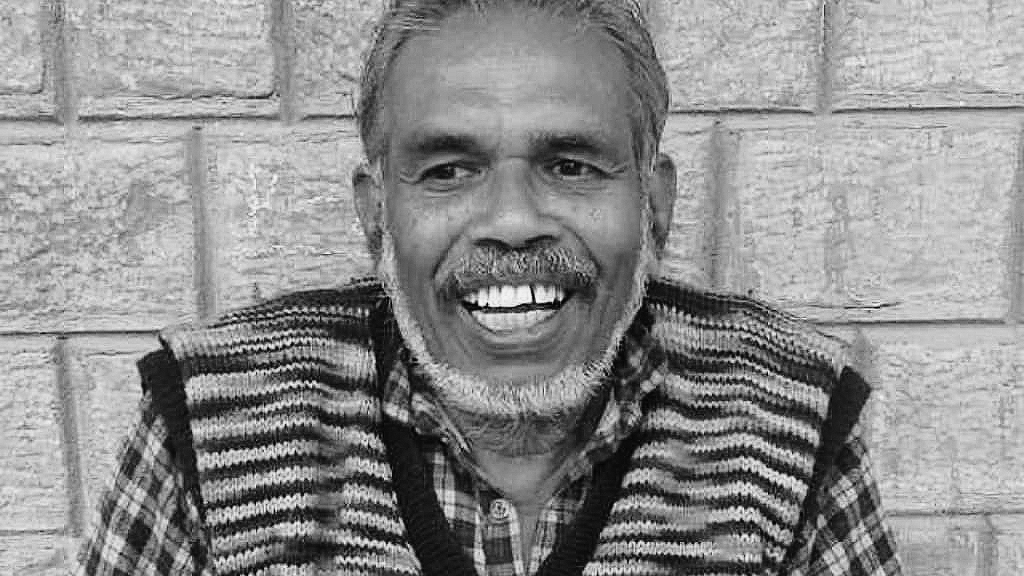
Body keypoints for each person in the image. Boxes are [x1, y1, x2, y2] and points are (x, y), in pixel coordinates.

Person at [75, 1, 903, 574]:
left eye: (571, 165)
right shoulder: (215, 423)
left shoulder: (785, 425)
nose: (511, 221)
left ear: (654, 207)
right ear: (376, 215)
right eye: (448, 170)